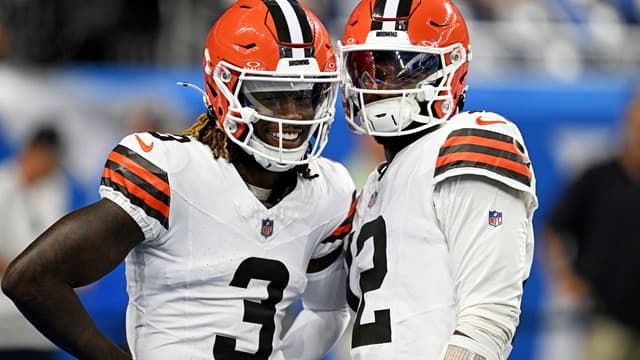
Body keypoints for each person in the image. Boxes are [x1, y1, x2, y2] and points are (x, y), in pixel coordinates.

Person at [2, 1, 356, 359]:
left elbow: (327, 311)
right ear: (224, 88)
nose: (293, 115)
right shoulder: (175, 173)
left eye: (305, 94)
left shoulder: (327, 192)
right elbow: (31, 278)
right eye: (271, 94)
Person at [337, 0, 538, 359]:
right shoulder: (373, 188)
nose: (378, 84)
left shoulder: (469, 141)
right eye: (368, 68)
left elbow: (487, 320)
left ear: (449, 69)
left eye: (400, 68)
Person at [543, 93, 640, 360]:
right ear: (627, 124)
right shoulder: (599, 178)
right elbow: (553, 228)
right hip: (608, 318)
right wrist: (567, 279)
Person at [0, 125, 67, 359]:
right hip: (3, 311)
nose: (51, 166)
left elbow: (58, 245)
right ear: (33, 152)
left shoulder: (54, 187)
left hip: (40, 316)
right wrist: (18, 273)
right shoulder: (2, 184)